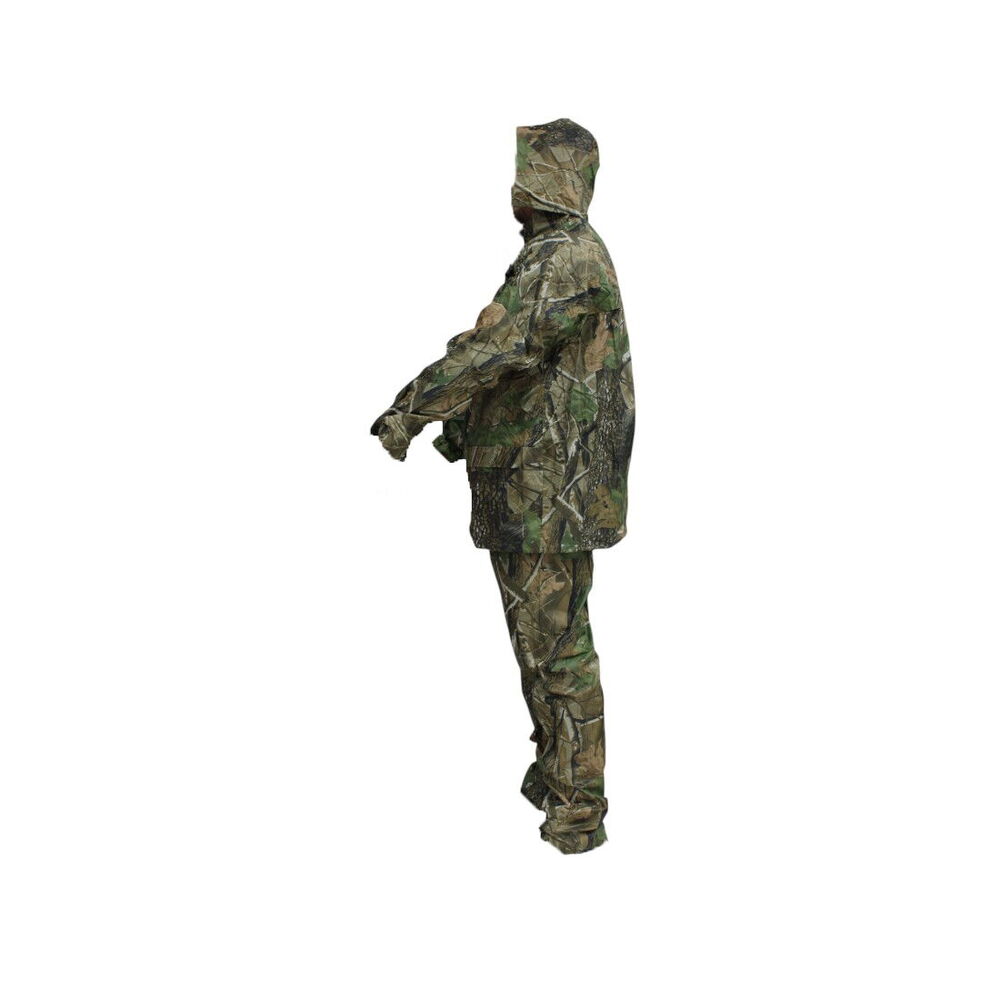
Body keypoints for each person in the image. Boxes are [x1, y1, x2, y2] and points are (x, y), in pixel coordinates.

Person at [371, 118, 635, 854]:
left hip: (549, 496)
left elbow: (502, 346)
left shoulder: (566, 258)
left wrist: (413, 409)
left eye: (527, 171)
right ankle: (559, 777)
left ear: (544, 179)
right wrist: (462, 430)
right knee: (541, 646)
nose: (515, 188)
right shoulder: (553, 258)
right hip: (535, 491)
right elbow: (524, 364)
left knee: (557, 652)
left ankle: (578, 808)